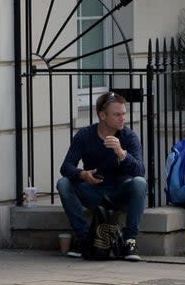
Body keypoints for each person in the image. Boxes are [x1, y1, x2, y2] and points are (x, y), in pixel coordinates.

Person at [56, 91, 146, 262]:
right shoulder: (85, 135)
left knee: (140, 183)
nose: (122, 118)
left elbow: (140, 171)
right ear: (102, 115)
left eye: (124, 114)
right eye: (117, 114)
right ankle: (84, 239)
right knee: (63, 184)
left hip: (120, 192)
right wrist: (82, 174)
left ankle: (129, 241)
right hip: (95, 191)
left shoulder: (129, 136)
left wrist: (121, 153)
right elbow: (66, 166)